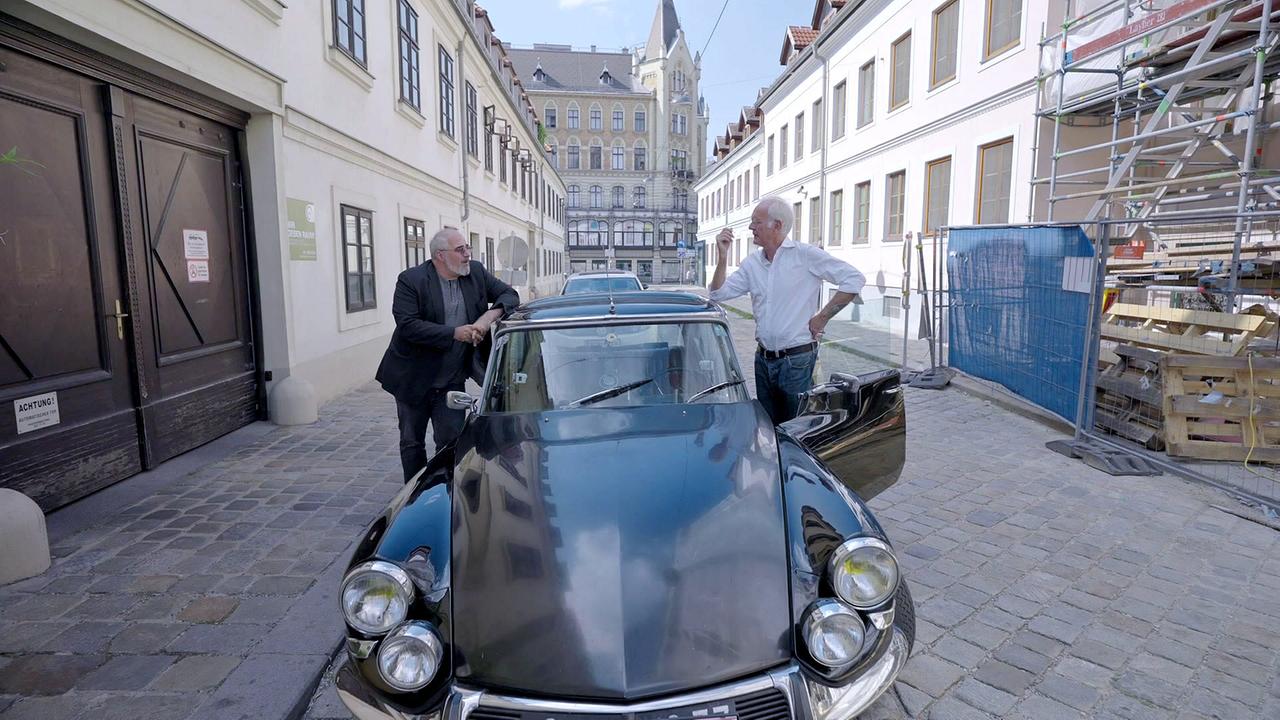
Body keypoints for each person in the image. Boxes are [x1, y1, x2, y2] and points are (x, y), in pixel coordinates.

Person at [376, 228, 518, 481]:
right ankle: (414, 494)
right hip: (413, 377)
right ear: (440, 256)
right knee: (411, 443)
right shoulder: (412, 280)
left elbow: (510, 295)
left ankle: (447, 490)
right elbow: (407, 324)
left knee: (451, 441)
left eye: (467, 248)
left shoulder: (474, 272)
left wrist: (486, 319)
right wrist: (454, 333)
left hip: (451, 380)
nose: (467, 254)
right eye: (460, 249)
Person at [708, 195, 865, 423]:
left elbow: (854, 279)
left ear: (777, 225)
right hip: (763, 360)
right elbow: (718, 294)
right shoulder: (752, 264)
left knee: (795, 427)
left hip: (797, 360)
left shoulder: (805, 255)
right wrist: (722, 257)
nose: (752, 227)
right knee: (767, 427)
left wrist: (822, 317)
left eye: (757, 221)